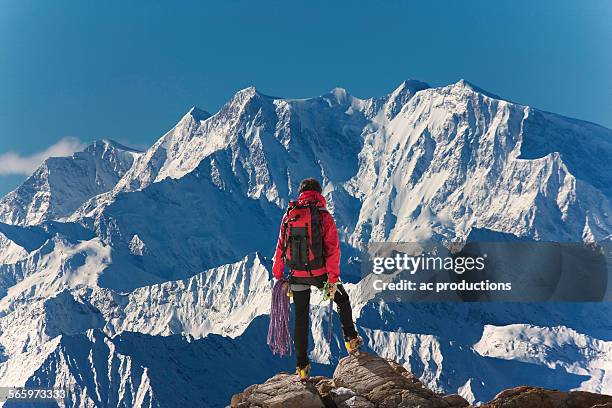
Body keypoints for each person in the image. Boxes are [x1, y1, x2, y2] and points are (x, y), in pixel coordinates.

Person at [272, 178, 363, 380]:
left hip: (296, 275)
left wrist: (279, 276)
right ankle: (351, 339)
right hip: (320, 273)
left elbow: (280, 248)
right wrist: (332, 280)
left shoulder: (289, 215)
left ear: (301, 193)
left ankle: (301, 367)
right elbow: (333, 251)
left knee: (301, 318)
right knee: (342, 299)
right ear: (319, 193)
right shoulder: (324, 217)